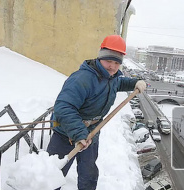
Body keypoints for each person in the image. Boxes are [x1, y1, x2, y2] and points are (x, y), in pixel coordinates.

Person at [47, 35, 146, 190]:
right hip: (67, 133)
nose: (112, 66)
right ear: (100, 58)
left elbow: (120, 82)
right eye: (109, 61)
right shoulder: (82, 79)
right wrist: (79, 134)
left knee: (89, 175)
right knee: (53, 175)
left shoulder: (111, 78)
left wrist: (135, 83)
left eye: (117, 62)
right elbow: (64, 107)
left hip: (92, 132)